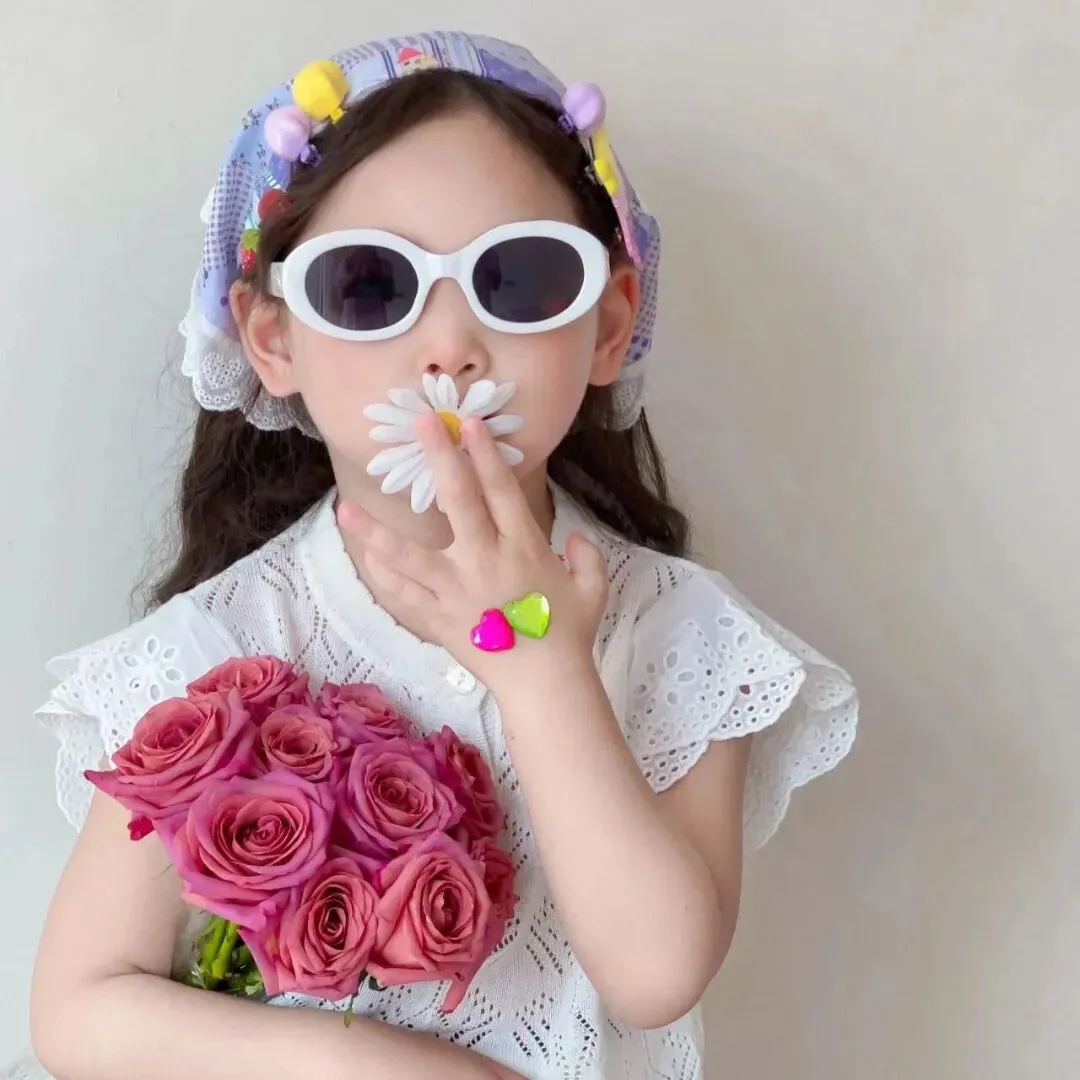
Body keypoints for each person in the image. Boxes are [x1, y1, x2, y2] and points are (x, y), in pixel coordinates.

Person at [21, 30, 858, 1080]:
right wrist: (392, 1068)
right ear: (272, 339)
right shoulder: (217, 649)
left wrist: (540, 663)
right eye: (370, 286)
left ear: (609, 325)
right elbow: (81, 1011)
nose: (450, 345)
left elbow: (655, 973)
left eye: (521, 279)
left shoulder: (681, 636)